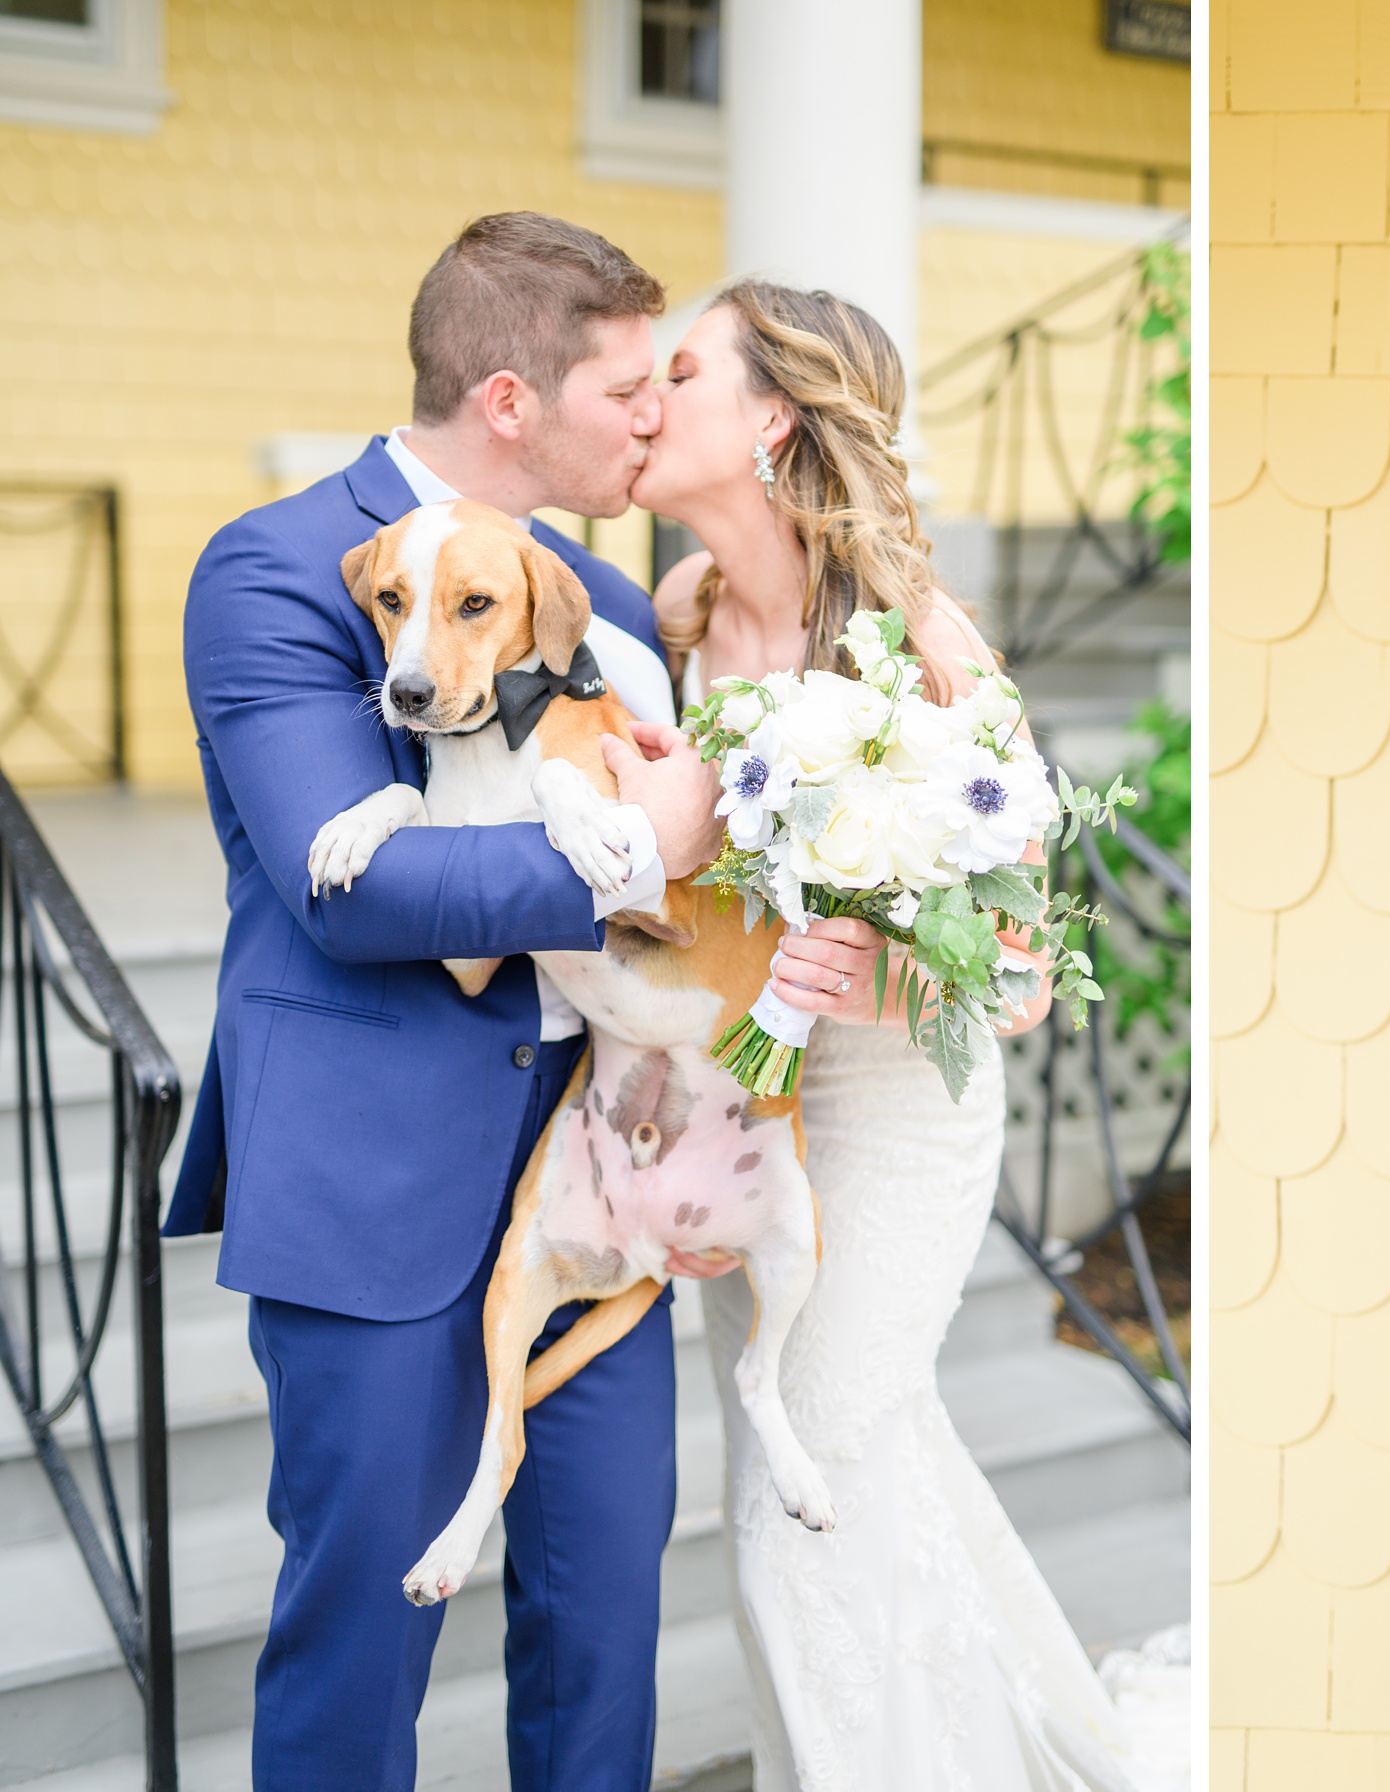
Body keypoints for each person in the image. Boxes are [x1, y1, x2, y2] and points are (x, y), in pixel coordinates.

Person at [170, 213, 721, 1792]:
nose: (651, 417)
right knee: (358, 1644)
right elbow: (358, 898)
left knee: (605, 1624)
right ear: (505, 399)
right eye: (625, 387)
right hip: (370, 1176)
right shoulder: (274, 567)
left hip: (592, 1172)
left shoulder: (597, 595)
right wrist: (636, 860)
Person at [628, 278, 1147, 1790]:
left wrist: (852, 972)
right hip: (754, 1104)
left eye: (680, 371)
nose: (648, 400)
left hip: (904, 1112)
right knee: (804, 1457)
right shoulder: (677, 617)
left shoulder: (920, 633)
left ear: (773, 414)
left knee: (823, 1454)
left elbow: (1025, 965)